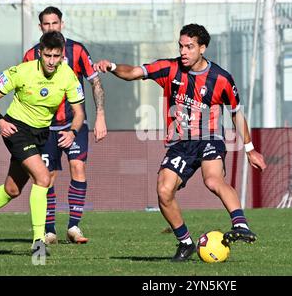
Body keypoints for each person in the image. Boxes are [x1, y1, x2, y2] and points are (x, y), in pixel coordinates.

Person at [93, 24, 266, 261]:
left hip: (209, 138)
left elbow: (236, 113)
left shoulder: (221, 78)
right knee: (164, 191)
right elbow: (133, 72)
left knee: (213, 180)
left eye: (190, 47)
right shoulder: (169, 68)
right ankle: (185, 242)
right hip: (180, 143)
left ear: (202, 48)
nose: (184, 51)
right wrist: (111, 67)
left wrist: (250, 149)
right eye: (181, 46)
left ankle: (241, 225)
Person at [0, 31, 85, 254]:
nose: (51, 61)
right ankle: (38, 243)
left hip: (40, 134)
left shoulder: (68, 76)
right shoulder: (21, 71)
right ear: (40, 53)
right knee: (43, 178)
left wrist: (73, 132)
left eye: (56, 56)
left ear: (62, 57)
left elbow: (79, 112)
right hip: (16, 129)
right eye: (47, 55)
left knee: (12, 189)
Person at [23, 6, 107, 244]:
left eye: (55, 23)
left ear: (62, 24)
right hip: (44, 127)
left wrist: (100, 115)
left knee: (77, 167)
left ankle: (74, 227)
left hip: (74, 123)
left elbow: (95, 82)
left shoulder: (77, 50)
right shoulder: (31, 55)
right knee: (46, 176)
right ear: (40, 28)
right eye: (46, 24)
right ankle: (49, 230)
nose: (51, 27)